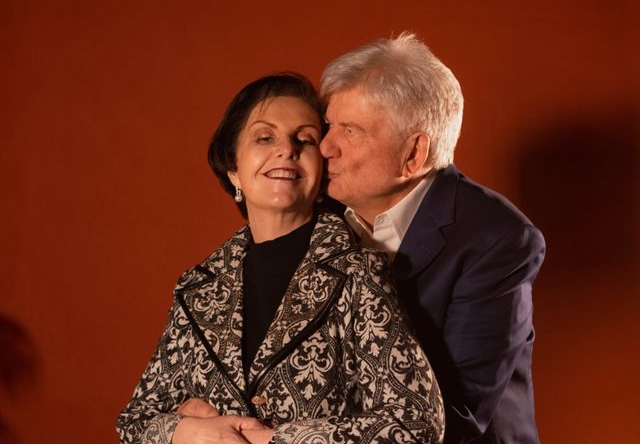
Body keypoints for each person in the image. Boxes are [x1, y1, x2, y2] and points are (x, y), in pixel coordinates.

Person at [116, 73, 444, 444]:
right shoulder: (196, 288)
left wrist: (277, 440)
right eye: (265, 137)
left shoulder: (358, 273)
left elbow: (417, 423)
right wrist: (186, 431)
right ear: (234, 169)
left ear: (321, 174)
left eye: (304, 140)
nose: (286, 149)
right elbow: (134, 422)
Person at [319, 34, 546, 443]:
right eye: (329, 125)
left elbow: (456, 418)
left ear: (414, 154)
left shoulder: (498, 240)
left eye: (349, 131)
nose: (324, 147)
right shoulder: (320, 214)